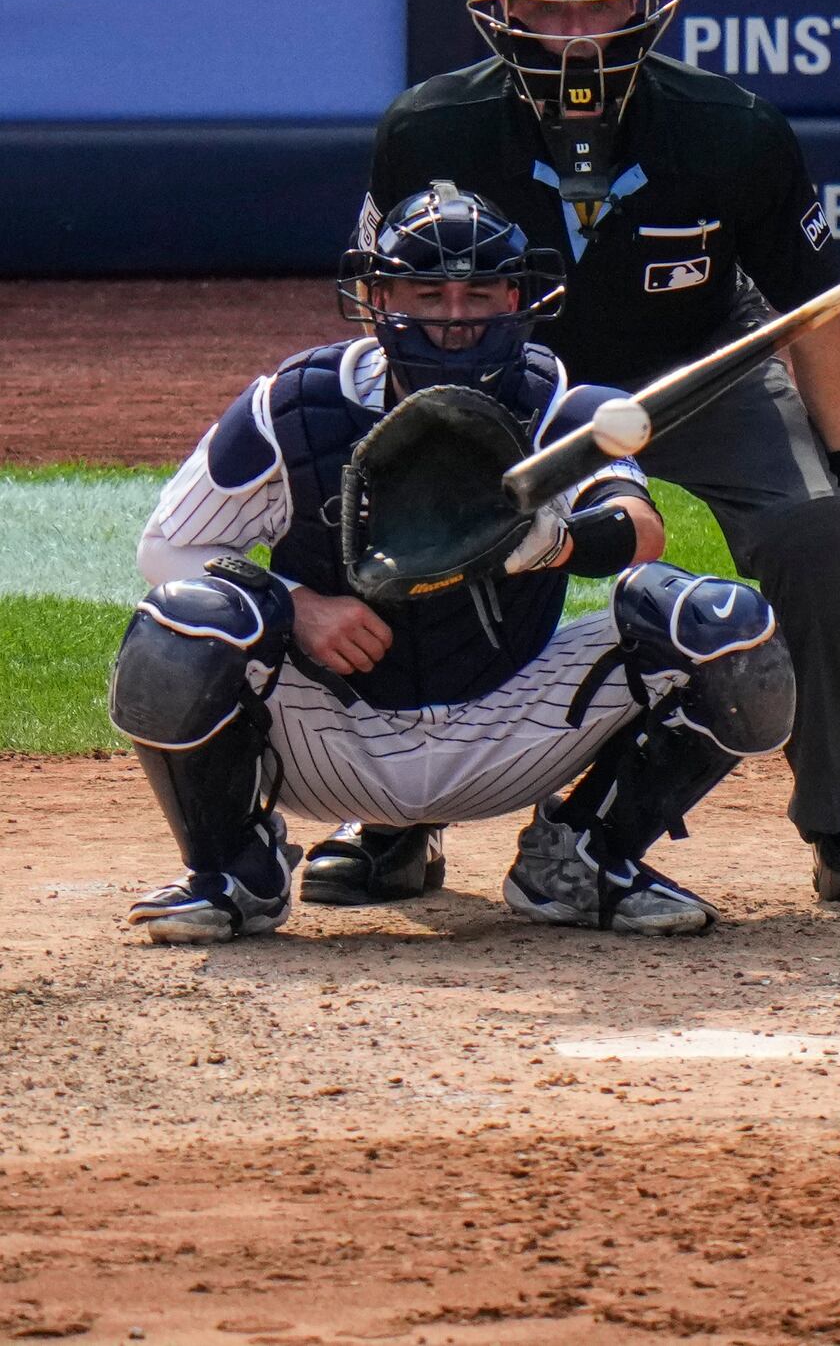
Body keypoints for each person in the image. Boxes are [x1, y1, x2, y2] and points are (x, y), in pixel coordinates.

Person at [360, 0, 840, 910]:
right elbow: (394, 306)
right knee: (410, 528)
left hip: (697, 363)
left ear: (645, 12)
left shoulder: (732, 129)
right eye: (552, 11)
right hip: (508, 376)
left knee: (817, 541)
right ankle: (396, 817)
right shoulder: (430, 127)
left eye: (600, 8)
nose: (577, 32)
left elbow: (813, 318)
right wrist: (413, 449)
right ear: (506, 17)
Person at [113, 185, 792, 943]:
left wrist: (560, 544)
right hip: (333, 729)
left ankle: (581, 859)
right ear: (378, 298)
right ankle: (235, 869)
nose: (456, 316)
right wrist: (300, 605)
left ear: (516, 295)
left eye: (478, 291)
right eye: (428, 292)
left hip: (514, 723)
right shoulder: (294, 407)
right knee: (185, 620)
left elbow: (640, 530)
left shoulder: (556, 404)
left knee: (725, 629)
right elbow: (166, 549)